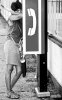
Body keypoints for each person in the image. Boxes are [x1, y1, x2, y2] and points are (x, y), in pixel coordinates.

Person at [4, 1, 23, 99]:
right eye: (20, 9)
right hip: (10, 45)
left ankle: (9, 90)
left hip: (17, 46)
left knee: (19, 71)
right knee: (9, 69)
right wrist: (14, 12)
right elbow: (21, 15)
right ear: (18, 9)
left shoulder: (20, 19)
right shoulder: (12, 18)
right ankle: (9, 92)